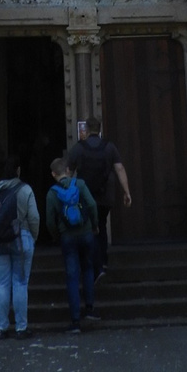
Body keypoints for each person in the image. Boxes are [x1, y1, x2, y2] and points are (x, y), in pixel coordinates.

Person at [66, 116, 131, 279]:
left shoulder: (78, 148)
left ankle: (94, 265)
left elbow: (68, 172)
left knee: (88, 228)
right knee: (101, 225)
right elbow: (120, 169)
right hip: (105, 196)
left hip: (86, 197)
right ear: (100, 129)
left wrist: (67, 193)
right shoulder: (110, 147)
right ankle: (103, 261)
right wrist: (126, 191)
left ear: (86, 130)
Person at [0, 155, 39, 338]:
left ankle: (2, 327)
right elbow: (34, 218)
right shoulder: (24, 190)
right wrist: (33, 236)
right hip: (20, 240)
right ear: (18, 170)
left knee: (2, 284)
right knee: (20, 283)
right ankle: (21, 328)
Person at [46, 157, 99, 332]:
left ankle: (75, 321)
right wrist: (95, 225)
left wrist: (56, 235)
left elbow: (49, 221)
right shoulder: (80, 185)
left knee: (72, 276)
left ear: (54, 174)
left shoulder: (52, 193)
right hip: (86, 233)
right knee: (88, 269)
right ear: (68, 170)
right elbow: (91, 204)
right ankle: (90, 308)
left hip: (67, 237)